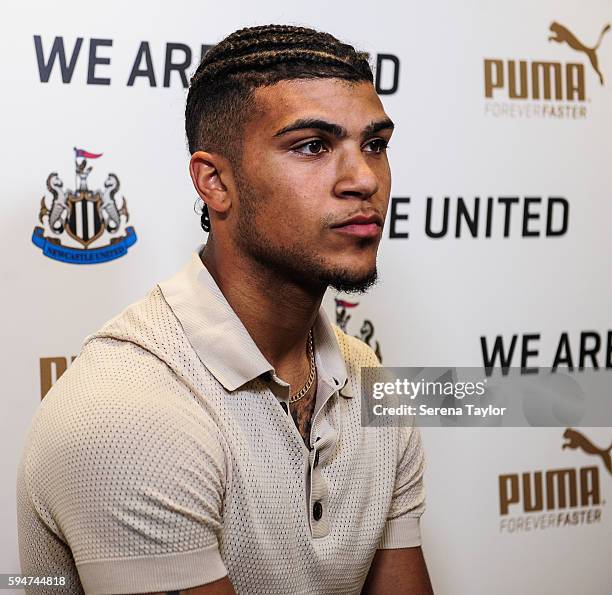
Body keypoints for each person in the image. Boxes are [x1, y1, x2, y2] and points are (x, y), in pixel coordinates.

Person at [17, 24, 432, 595]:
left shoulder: (368, 379)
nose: (364, 179)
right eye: (312, 145)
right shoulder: (126, 412)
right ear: (215, 181)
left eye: (375, 145)